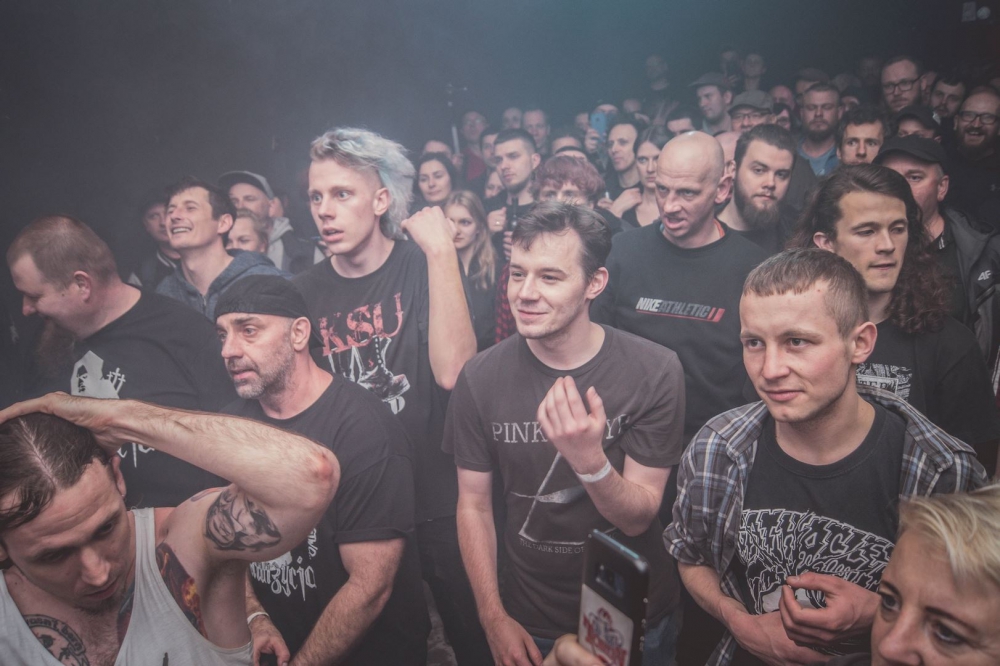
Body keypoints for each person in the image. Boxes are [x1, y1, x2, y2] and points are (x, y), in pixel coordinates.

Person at [665, 248, 987, 666]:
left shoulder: (941, 471)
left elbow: (975, 619)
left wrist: (880, 613)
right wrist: (738, 620)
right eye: (754, 343)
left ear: (860, 343)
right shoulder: (717, 449)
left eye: (797, 342)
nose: (770, 369)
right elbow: (691, 557)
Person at [445, 202, 686, 665]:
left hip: (631, 615)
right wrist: (492, 616)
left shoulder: (654, 370)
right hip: (529, 619)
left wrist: (589, 461)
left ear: (595, 283)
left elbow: (639, 518)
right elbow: (473, 505)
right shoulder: (480, 378)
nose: (525, 293)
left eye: (550, 277)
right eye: (518, 274)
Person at [292, 127, 489, 664]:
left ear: (381, 201)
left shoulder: (423, 263)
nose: (324, 210)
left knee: (475, 639)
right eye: (316, 196)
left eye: (342, 194)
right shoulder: (303, 292)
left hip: (436, 493)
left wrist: (441, 251)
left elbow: (455, 370)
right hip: (358, 509)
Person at [0, 389, 339, 665]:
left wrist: (122, 419)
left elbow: (311, 477)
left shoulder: (183, 542)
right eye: (54, 556)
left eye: (105, 529)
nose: (98, 574)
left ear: (118, 477)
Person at [213, 275, 429, 665]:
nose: (229, 350)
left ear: (298, 334)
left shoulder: (364, 430)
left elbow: (369, 588)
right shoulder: (231, 427)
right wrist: (255, 616)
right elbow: (225, 544)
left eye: (248, 331)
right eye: (222, 335)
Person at [543, 485, 1000, 666]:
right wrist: (737, 618)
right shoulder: (722, 445)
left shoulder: (933, 458)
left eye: (947, 633)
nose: (891, 644)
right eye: (890, 601)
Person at [6, 215, 237, 507]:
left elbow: (234, 444)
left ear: (81, 284)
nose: (26, 309)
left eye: (34, 296)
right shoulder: (46, 345)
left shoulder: (184, 333)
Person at [791, 164, 1000, 475]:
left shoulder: (951, 345)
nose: (887, 245)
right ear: (826, 243)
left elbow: (974, 471)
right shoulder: (792, 334)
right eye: (867, 231)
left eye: (897, 229)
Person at [593, 131, 769, 450]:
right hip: (630, 440)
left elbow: (762, 366)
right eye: (662, 189)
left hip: (717, 446)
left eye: (687, 193)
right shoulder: (622, 252)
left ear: (722, 189)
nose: (670, 206)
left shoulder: (753, 267)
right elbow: (594, 347)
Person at [874, 135, 1000, 451]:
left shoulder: (982, 253)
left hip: (958, 418)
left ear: (942, 187)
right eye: (890, 178)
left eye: (914, 177)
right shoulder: (867, 253)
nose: (900, 188)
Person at [157, 176, 285, 320]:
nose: (174, 216)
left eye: (190, 208)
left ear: (223, 223)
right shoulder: (164, 295)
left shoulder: (267, 281)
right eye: (170, 210)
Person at [717, 124, 798, 254]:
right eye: (759, 170)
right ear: (733, 170)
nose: (770, 183)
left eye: (781, 174)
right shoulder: (701, 231)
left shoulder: (797, 233)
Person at [219, 170, 316, 275]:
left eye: (249, 199)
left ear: (271, 206)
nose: (240, 206)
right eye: (233, 201)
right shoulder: (217, 244)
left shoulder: (304, 251)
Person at [445, 190, 499, 351]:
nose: (456, 230)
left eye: (465, 222)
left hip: (488, 357)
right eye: (450, 222)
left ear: (479, 227)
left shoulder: (496, 270)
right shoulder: (434, 270)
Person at [946, 87, 1000, 225]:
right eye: (968, 115)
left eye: (987, 118)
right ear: (956, 122)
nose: (976, 124)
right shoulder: (939, 161)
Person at [613, 126, 672, 229]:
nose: (650, 169)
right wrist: (614, 213)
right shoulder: (626, 209)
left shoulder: (682, 206)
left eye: (657, 159)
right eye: (642, 160)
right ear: (635, 162)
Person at [128, 187, 179, 291]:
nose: (163, 222)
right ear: (146, 225)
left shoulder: (210, 259)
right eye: (154, 216)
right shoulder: (142, 276)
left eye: (168, 212)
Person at [799, 82, 843, 176]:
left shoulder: (847, 156)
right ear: (802, 113)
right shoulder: (788, 152)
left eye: (827, 107)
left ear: (839, 113)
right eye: (811, 108)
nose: (818, 113)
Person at [604, 115, 648, 201]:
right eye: (610, 144)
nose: (614, 149)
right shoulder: (602, 190)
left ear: (639, 145)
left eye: (622, 142)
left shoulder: (653, 187)